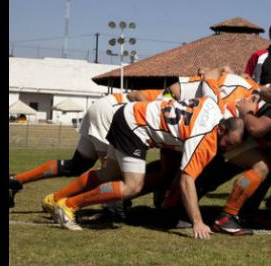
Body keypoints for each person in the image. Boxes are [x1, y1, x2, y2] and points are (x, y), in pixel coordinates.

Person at [51, 83, 245, 238]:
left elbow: (208, 81)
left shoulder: (214, 104)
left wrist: (213, 71)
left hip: (127, 114)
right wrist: (197, 221)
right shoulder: (205, 139)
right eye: (229, 142)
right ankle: (68, 206)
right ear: (221, 130)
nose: (227, 147)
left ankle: (55, 199)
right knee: (132, 187)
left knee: (107, 174)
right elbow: (186, 181)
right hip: (134, 126)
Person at [9, 88, 167, 210]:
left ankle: (15, 180)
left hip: (103, 106)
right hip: (111, 112)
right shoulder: (172, 97)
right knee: (110, 172)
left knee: (76, 165)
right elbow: (135, 95)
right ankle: (60, 201)